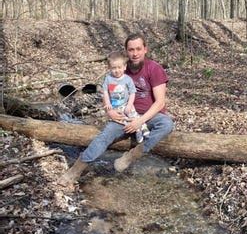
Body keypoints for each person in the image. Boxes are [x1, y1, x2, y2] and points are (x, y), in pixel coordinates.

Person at [59, 33, 174, 186]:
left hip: (149, 116)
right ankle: (75, 170)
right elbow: (106, 94)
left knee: (166, 124)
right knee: (103, 137)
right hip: (123, 116)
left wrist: (139, 122)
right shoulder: (119, 70)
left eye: (138, 49)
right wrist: (110, 112)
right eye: (131, 50)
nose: (135, 53)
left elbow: (159, 103)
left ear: (145, 49)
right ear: (126, 52)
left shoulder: (154, 69)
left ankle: (132, 155)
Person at [102, 50, 149, 144]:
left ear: (124, 67)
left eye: (119, 67)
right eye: (114, 68)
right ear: (109, 68)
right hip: (116, 107)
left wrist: (129, 105)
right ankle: (138, 131)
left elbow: (132, 93)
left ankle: (143, 128)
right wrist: (107, 103)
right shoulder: (108, 79)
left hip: (127, 104)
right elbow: (105, 92)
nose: (117, 70)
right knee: (123, 121)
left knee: (135, 117)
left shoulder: (127, 79)